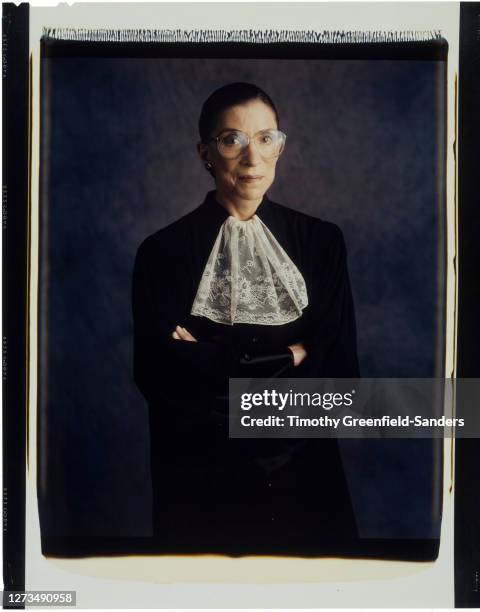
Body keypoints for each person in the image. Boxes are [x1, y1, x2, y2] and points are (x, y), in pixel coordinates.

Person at [132, 82, 360, 556]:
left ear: (280, 147)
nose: (252, 159)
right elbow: (159, 378)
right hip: (203, 483)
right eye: (232, 139)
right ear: (206, 153)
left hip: (305, 476)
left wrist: (212, 360)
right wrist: (289, 355)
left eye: (266, 139)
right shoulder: (162, 253)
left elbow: (339, 376)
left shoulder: (321, 243)